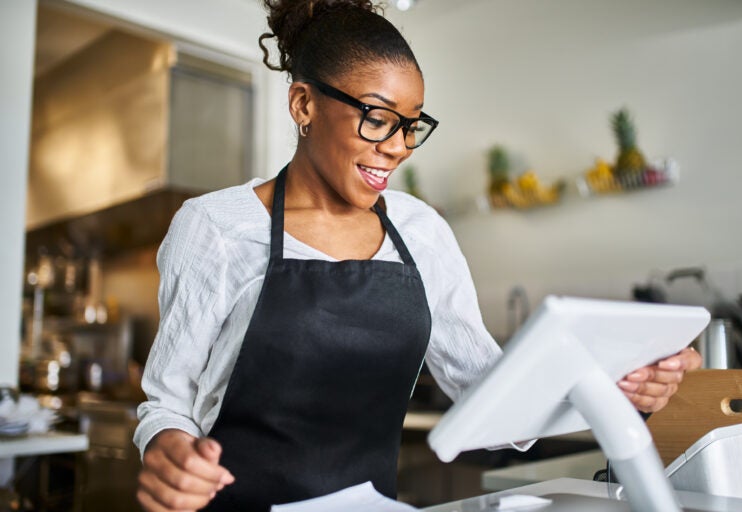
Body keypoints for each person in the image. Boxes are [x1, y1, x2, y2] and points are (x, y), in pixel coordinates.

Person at [133, 1, 702, 510]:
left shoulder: (420, 229)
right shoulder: (216, 227)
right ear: (303, 104)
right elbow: (167, 402)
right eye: (377, 118)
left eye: (411, 126)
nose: (398, 147)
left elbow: (490, 394)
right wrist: (169, 449)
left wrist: (620, 382)